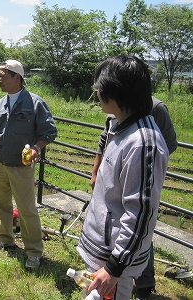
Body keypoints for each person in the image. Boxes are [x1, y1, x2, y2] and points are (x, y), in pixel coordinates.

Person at [76, 55, 169, 299]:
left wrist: (114, 267)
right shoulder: (119, 126)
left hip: (113, 260)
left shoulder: (143, 144)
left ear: (114, 93)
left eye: (99, 88)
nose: (96, 93)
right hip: (103, 253)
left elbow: (140, 212)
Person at [90, 96, 177, 300]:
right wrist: (97, 172)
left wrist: (146, 169)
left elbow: (168, 144)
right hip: (115, 179)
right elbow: (105, 139)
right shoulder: (116, 106)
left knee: (138, 227)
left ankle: (145, 283)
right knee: (128, 229)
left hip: (139, 178)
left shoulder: (156, 108)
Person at [0, 59, 57, 269]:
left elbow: (49, 132)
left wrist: (36, 148)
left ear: (17, 77)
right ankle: (5, 239)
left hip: (22, 167)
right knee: (1, 204)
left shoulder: (35, 103)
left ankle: (33, 251)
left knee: (26, 210)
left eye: (3, 76)